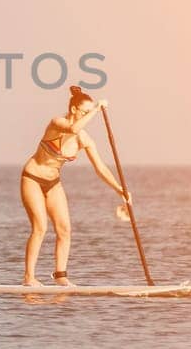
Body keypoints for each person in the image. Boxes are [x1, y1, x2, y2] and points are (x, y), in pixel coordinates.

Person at [20, 85, 129, 286]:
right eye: (84, 112)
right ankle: (29, 278)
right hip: (32, 178)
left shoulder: (83, 139)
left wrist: (120, 190)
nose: (88, 117)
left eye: (89, 113)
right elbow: (73, 128)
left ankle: (61, 277)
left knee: (65, 229)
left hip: (53, 182)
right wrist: (97, 108)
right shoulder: (57, 123)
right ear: (73, 110)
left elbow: (100, 168)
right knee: (40, 228)